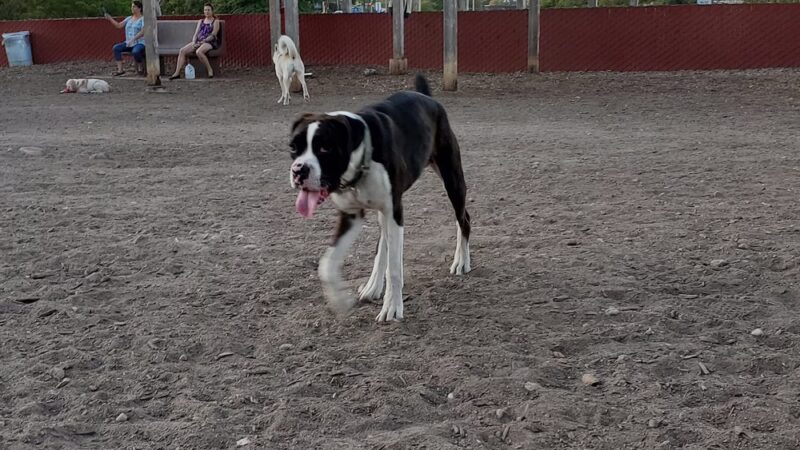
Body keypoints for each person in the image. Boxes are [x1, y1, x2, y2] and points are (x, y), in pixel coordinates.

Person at [169, 3, 221, 80]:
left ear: (212, 11)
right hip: (198, 41)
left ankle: (210, 70)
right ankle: (177, 73)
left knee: (199, 52)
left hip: (209, 42)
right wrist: (194, 42)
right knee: (182, 50)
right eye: (205, 10)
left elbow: (213, 34)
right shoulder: (201, 21)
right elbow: (196, 34)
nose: (206, 12)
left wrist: (203, 41)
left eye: (208, 10)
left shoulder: (215, 21)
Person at [105, 1, 145, 76]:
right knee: (116, 48)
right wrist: (110, 19)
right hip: (128, 43)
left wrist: (134, 39)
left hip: (139, 42)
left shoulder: (143, 19)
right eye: (131, 6)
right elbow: (119, 25)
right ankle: (120, 70)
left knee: (136, 51)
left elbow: (143, 31)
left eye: (134, 7)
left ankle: (140, 65)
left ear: (139, 8)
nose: (132, 8)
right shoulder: (129, 18)